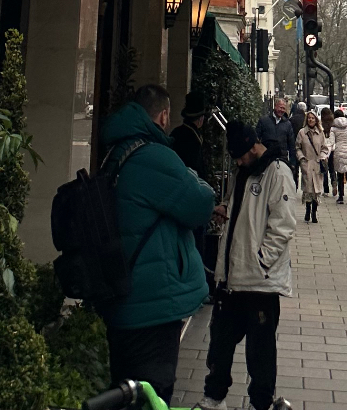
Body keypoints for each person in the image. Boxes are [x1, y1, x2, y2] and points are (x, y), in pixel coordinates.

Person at [98, 82, 218, 402]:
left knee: (126, 391)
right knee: (153, 394)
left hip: (120, 293)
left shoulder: (115, 152)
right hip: (151, 304)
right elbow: (201, 202)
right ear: (164, 116)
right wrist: (193, 176)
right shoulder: (154, 156)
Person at [202, 119, 296, 410]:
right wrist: (226, 210)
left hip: (259, 283)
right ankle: (214, 397)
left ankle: (260, 403)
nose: (238, 160)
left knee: (261, 352)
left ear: (254, 146)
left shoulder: (277, 173)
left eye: (241, 154)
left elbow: (283, 225)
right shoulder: (242, 172)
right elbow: (239, 206)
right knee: (219, 344)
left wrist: (260, 261)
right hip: (231, 278)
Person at [296, 109, 329, 223]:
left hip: (318, 164)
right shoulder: (302, 133)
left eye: (312, 118)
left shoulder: (320, 133)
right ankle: (307, 210)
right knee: (308, 190)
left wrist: (323, 156)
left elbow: (325, 148)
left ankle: (314, 213)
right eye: (309, 118)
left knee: (316, 190)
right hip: (307, 164)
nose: (311, 120)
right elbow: (297, 147)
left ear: (316, 120)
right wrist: (301, 158)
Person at [328, 106, 347, 205]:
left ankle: (341, 197)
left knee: (340, 176)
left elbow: (331, 142)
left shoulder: (333, 128)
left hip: (339, 152)